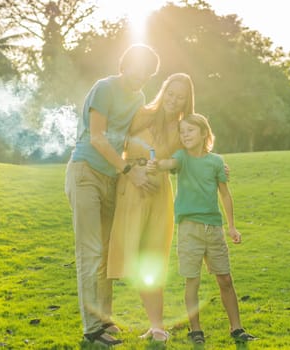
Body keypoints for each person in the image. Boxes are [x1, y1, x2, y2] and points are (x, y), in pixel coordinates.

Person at [64, 44, 160, 346]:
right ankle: (92, 329)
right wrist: (128, 170)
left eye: (148, 74)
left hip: (110, 177)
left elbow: (137, 133)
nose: (143, 76)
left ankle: (104, 319)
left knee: (105, 253)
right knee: (90, 251)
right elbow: (97, 138)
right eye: (140, 68)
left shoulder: (139, 97)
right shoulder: (104, 88)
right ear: (126, 63)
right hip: (86, 173)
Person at [148, 113, 257, 345]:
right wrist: (156, 163)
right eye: (182, 131)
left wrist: (232, 227)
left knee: (225, 279)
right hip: (189, 229)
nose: (185, 134)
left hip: (214, 229)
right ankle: (195, 329)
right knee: (192, 281)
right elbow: (170, 164)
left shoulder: (216, 162)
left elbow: (225, 195)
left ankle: (236, 328)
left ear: (204, 133)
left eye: (190, 130)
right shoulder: (182, 158)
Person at [107, 73, 195, 342]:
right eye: (170, 93)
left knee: (152, 257)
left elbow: (192, 157)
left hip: (159, 195)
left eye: (180, 97)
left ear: (186, 101)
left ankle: (157, 326)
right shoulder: (141, 114)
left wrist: (215, 167)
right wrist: (133, 171)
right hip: (132, 188)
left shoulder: (183, 127)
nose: (173, 100)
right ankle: (103, 321)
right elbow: (114, 144)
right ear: (163, 90)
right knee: (124, 254)